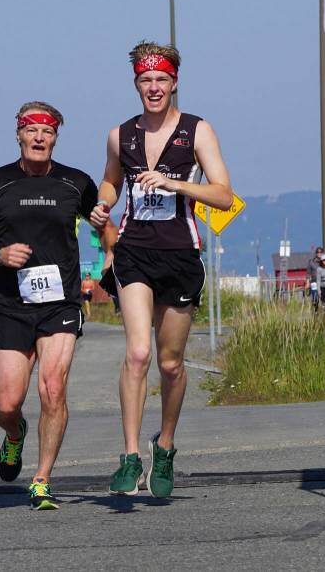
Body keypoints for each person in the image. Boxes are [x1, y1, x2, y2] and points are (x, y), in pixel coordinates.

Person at [90, 41, 234, 498]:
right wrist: (102, 204)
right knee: (138, 354)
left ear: (174, 83)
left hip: (179, 255)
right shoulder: (120, 135)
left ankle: (165, 445)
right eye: (145, 81)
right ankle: (130, 456)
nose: (153, 88)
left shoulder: (197, 131)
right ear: (136, 85)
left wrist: (173, 182)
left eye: (161, 80)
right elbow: (111, 180)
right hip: (134, 254)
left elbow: (224, 196)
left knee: (170, 364)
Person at [0, 101, 108, 511]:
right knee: (8, 402)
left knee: (53, 388)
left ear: (56, 137)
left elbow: (104, 226)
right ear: (19, 134)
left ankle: (42, 480)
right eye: (32, 130)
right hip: (12, 304)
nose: (40, 137)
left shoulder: (75, 183)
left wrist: (105, 265)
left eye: (47, 131)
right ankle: (14, 434)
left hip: (60, 302)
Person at [307, 247, 324, 311]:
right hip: (314, 282)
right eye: (318, 252)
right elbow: (308, 273)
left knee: (324, 298)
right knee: (315, 298)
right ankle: (315, 311)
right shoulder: (311, 262)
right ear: (316, 253)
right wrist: (308, 282)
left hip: (323, 282)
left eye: (321, 252)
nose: (319, 253)